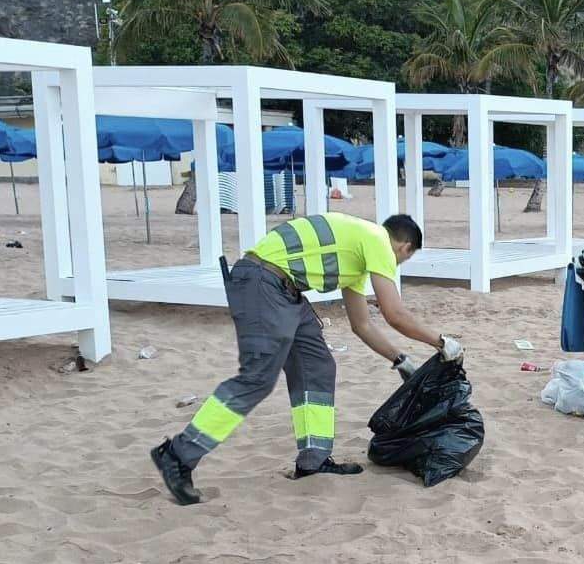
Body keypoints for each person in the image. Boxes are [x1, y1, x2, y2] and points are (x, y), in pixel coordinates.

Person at [148, 212, 460, 505]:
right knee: (257, 378)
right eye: (406, 258)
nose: (399, 265)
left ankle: (314, 461)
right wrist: (441, 342)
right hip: (263, 282)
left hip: (283, 290)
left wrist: (400, 360)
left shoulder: (357, 253)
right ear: (405, 247)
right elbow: (395, 314)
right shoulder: (378, 240)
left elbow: (361, 325)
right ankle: (178, 454)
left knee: (317, 366)